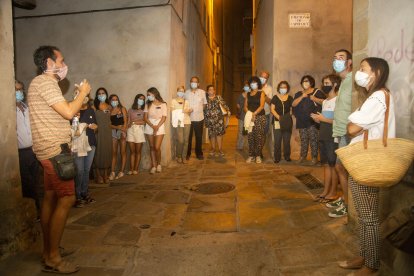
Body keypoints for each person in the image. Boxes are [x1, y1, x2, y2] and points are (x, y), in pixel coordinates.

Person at [28, 45, 91, 273]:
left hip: (48, 150)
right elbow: (68, 113)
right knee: (67, 198)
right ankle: (53, 258)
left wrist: (75, 99)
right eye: (61, 61)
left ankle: (48, 250)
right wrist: (83, 93)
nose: (64, 65)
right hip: (55, 151)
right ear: (49, 63)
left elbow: (65, 110)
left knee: (51, 198)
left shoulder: (43, 84)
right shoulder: (45, 83)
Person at [338, 57, 395, 276]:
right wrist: (357, 125)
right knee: (364, 215)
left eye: (363, 69)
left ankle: (371, 266)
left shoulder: (379, 97)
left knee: (368, 217)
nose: (359, 73)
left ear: (376, 72)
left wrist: (355, 125)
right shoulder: (376, 96)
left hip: (368, 162)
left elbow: (352, 129)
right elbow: (356, 126)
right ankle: (364, 255)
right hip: (364, 161)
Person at [327, 49, 353, 218]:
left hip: (348, 132)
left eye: (341, 58)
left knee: (341, 167)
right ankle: (345, 198)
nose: (337, 61)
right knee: (340, 167)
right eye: (335, 58)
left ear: (349, 62)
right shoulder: (343, 81)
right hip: (341, 130)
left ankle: (348, 205)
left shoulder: (352, 80)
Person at [310, 75, 341, 204]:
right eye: (323, 82)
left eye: (327, 82)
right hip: (323, 134)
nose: (324, 85)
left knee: (333, 166)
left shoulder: (339, 100)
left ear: (334, 85)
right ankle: (325, 191)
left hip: (332, 137)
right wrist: (319, 118)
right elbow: (326, 118)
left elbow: (339, 121)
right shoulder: (326, 100)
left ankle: (333, 193)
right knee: (326, 165)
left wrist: (324, 119)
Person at [15, 80, 41, 218]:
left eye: (20, 89)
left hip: (33, 150)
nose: (19, 92)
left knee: (35, 181)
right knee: (27, 183)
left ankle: (36, 209)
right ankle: (33, 212)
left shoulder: (26, 108)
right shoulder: (9, 111)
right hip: (20, 152)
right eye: (16, 90)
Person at [292, 75, 326, 165]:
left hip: (312, 121)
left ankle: (314, 158)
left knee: (313, 139)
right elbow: (294, 104)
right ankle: (302, 157)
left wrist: (315, 98)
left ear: (311, 82)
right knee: (303, 139)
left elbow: (325, 102)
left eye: (307, 81)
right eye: (303, 81)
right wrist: (302, 97)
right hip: (301, 120)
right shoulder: (299, 93)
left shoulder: (316, 91)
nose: (305, 83)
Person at [72, 91, 98, 208]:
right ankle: (77, 196)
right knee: (79, 171)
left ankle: (85, 193)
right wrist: (76, 120)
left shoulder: (91, 110)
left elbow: (96, 125)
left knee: (87, 170)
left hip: (91, 143)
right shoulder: (72, 109)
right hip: (78, 145)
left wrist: (95, 126)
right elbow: (72, 129)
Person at [144, 87, 167, 174]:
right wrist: (152, 126)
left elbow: (164, 117)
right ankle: (154, 165)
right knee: (152, 147)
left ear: (154, 94)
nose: (148, 96)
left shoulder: (163, 104)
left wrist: (157, 126)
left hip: (160, 125)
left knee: (157, 147)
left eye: (149, 94)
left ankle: (159, 164)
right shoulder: (148, 104)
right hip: (150, 125)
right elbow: (145, 118)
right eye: (147, 95)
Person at [244, 76, 266, 163]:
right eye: (251, 83)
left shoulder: (261, 93)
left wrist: (254, 114)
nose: (253, 84)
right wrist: (249, 114)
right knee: (250, 137)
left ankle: (258, 156)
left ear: (258, 84)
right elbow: (245, 107)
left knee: (258, 137)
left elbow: (262, 106)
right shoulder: (248, 94)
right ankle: (251, 155)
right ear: (250, 84)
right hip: (250, 117)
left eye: (255, 83)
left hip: (260, 117)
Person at [270, 81, 293, 163]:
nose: (283, 89)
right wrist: (279, 117)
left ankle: (287, 156)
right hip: (277, 121)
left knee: (287, 141)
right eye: (281, 87)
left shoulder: (290, 98)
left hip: (287, 121)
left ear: (287, 88)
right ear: (279, 88)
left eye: (285, 87)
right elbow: (272, 109)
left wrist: (288, 116)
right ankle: (277, 157)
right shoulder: (275, 97)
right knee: (277, 140)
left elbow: (291, 109)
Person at [93, 88, 112, 184]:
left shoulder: (109, 106)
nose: (101, 95)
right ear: (96, 95)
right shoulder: (94, 106)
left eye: (103, 93)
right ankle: (98, 176)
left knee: (106, 152)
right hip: (97, 132)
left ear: (106, 94)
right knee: (97, 153)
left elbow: (112, 120)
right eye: (99, 93)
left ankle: (105, 174)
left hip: (107, 132)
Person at [185, 76, 207, 160]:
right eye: (192, 81)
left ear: (198, 84)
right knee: (188, 137)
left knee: (199, 136)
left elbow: (204, 104)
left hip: (199, 118)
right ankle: (188, 153)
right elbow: (184, 105)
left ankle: (199, 153)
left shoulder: (202, 92)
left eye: (195, 82)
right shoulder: (186, 93)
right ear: (190, 83)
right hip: (188, 118)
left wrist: (199, 110)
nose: (193, 83)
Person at [204, 84, 230, 157]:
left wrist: (228, 111)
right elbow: (203, 109)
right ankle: (213, 149)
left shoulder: (218, 97)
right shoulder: (205, 99)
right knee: (212, 135)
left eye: (213, 89)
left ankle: (220, 149)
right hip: (209, 120)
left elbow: (225, 105)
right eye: (210, 89)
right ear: (207, 91)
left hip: (219, 120)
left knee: (219, 135)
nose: (211, 91)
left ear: (214, 91)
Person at [108, 94, 128, 180]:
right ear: (110, 101)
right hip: (113, 131)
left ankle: (121, 171)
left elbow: (126, 121)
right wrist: (116, 127)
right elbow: (109, 124)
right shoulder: (109, 110)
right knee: (114, 152)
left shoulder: (122, 109)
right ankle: (112, 172)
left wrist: (123, 130)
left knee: (122, 151)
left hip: (122, 131)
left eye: (116, 99)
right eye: (113, 100)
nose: (114, 101)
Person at [126, 94, 146, 174]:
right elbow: (128, 122)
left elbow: (144, 121)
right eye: (140, 98)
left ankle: (136, 169)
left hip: (140, 130)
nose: (141, 100)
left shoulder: (144, 110)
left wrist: (134, 122)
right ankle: (131, 169)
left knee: (138, 151)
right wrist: (127, 127)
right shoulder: (130, 110)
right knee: (132, 151)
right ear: (136, 99)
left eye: (143, 99)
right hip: (131, 130)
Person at [171, 86, 191, 163]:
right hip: (179, 122)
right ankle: (178, 155)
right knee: (180, 140)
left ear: (184, 92)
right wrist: (182, 111)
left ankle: (184, 156)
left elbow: (188, 112)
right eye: (179, 91)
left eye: (182, 91)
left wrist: (189, 110)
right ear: (177, 91)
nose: (181, 92)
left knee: (186, 140)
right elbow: (172, 111)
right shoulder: (173, 101)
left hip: (187, 121)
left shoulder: (186, 101)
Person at [259, 71, 273, 159]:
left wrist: (264, 94)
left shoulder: (269, 89)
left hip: (266, 114)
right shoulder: (254, 86)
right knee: (255, 133)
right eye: (261, 77)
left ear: (267, 79)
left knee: (263, 134)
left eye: (265, 77)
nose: (263, 79)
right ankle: (254, 151)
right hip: (255, 114)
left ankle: (259, 151)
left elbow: (270, 102)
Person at [236, 82, 249, 150]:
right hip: (241, 116)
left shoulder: (250, 95)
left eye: (248, 86)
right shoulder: (240, 96)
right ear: (243, 88)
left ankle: (246, 145)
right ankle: (239, 146)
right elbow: (237, 104)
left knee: (247, 132)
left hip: (248, 117)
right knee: (240, 131)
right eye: (245, 86)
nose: (247, 88)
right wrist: (240, 107)